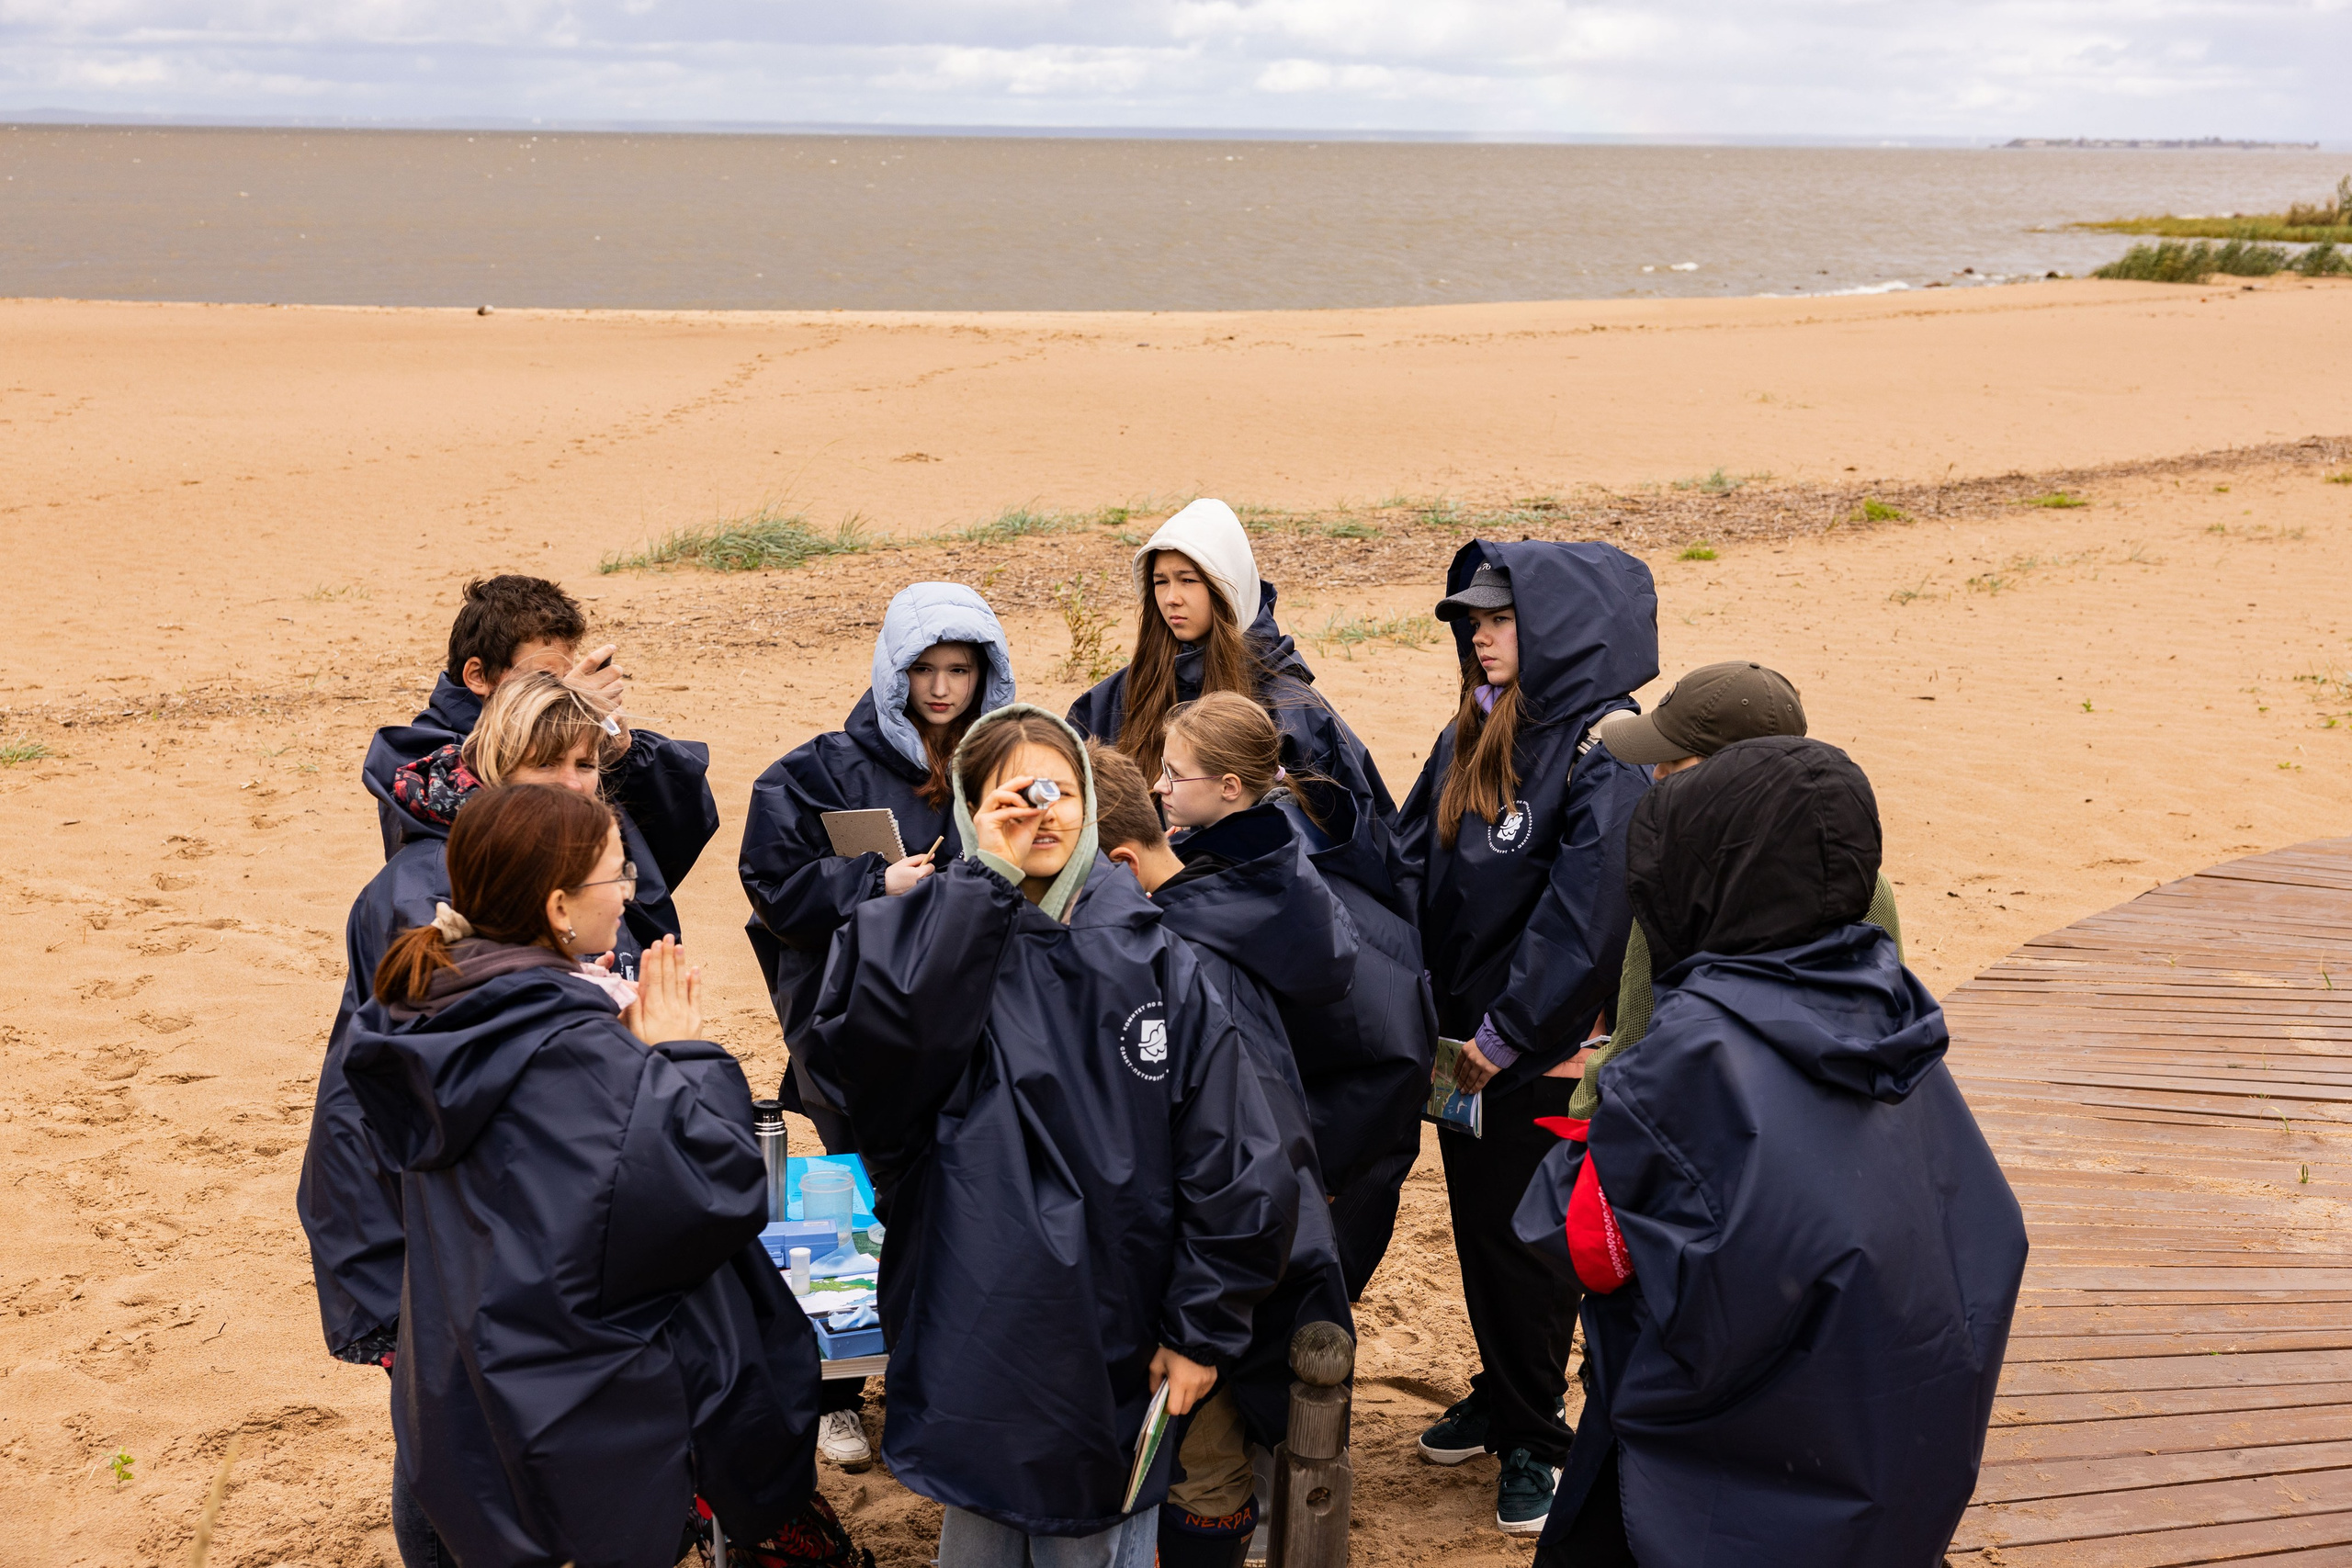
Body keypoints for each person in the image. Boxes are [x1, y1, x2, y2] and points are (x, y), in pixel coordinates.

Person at [801, 705, 1295, 1568]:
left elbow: (1235, 1158)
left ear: (1096, 810)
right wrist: (977, 887)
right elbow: (871, 1069)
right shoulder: (923, 941)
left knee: (1092, 1538)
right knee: (983, 1532)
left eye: (1060, 791)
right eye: (1010, 796)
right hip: (972, 1328)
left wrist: (1197, 1329)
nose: (1041, 812)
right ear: (964, 811)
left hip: (1112, 1339)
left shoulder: (1155, 957)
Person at [1524, 738, 2027, 1567]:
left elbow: (1583, 1240)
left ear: (1712, 877)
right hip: (1883, 1465)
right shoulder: (1896, 1012)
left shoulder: (1693, 1055)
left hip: (1714, 1488)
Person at [338, 784, 850, 1568]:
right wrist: (680, 1053)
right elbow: (717, 1190)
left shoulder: (434, 1007)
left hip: (472, 1380)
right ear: (557, 909)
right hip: (582, 1408)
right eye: (618, 876)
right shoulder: (570, 1045)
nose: (629, 894)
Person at [301, 673, 700, 1566]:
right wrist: (381, 1300)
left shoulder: (576, 872)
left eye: (586, 764)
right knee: (457, 1457)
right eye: (545, 762)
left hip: (543, 1256)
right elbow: (370, 1106)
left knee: (489, 1455)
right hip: (461, 1252)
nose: (571, 783)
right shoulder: (430, 895)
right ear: (491, 762)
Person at [1393, 541, 1659, 1535]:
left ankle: (1538, 1438)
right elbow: (1413, 851)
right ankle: (1505, 1389)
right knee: (1480, 1235)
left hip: (1537, 1054)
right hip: (1463, 1052)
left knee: (1533, 1246)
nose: (1478, 635)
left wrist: (1505, 1037)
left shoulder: (1609, 745)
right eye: (1470, 620)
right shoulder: (1479, 725)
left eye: (1498, 619)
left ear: (1558, 629)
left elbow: (1584, 920)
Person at [737, 581, 1016, 1471]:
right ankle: (836, 1395)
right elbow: (770, 881)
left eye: (960, 670)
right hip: (853, 1036)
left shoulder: (1003, 763)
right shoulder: (822, 768)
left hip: (968, 1036)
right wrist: (869, 886)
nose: (942, 689)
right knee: (847, 1202)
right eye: (924, 669)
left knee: (958, 1206)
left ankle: (939, 1381)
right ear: (892, 671)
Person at [1089, 726, 1355, 1568]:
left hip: (1234, 1283)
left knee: (1202, 1466)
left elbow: (1250, 1168)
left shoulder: (1183, 969)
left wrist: (1201, 1325)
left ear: (1120, 868)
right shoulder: (1202, 913)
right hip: (1233, 1273)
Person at [1148, 692, 1434, 1295]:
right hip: (1317, 1152)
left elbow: (1383, 1042)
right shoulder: (1283, 862)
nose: (1159, 784)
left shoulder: (1220, 902)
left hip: (1311, 1154)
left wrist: (1319, 1166)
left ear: (1230, 786)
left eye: (1175, 773)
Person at [1572, 660, 1903, 1122]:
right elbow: (1881, 1024)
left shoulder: (1679, 887)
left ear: (1733, 772)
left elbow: (1637, 1039)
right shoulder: (1864, 884)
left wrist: (1586, 1108)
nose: (1658, 774)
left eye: (1676, 759)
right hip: (1826, 1127)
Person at [368, 574, 719, 891]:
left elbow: (650, 860)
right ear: (477, 676)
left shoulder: (573, 741)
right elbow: (479, 839)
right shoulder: (421, 759)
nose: (563, 693)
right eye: (545, 680)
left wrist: (622, 754)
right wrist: (550, 726)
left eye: (567, 679)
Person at [1067, 498, 1392, 830]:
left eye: (1188, 580)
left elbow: (1352, 836)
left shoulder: (1291, 709)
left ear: (1226, 588)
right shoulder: (1117, 698)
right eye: (1160, 581)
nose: (1170, 598)